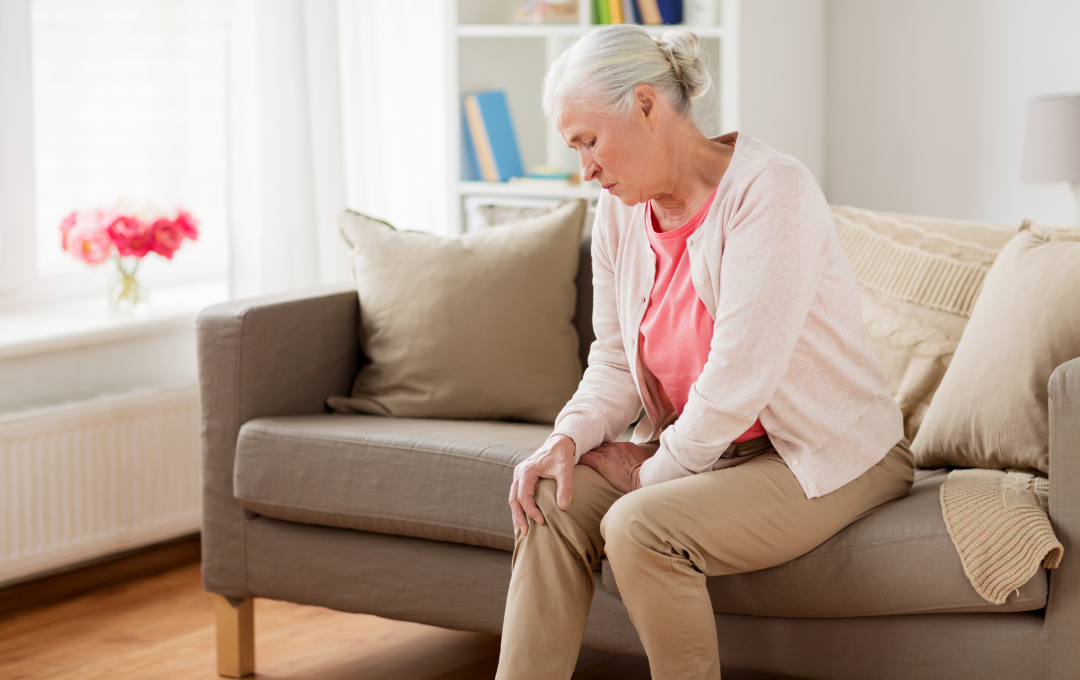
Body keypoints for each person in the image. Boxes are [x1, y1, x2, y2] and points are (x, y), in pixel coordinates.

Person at [498, 23, 914, 680]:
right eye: (574, 149)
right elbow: (614, 362)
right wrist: (566, 440)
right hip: (714, 452)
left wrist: (651, 474)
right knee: (553, 496)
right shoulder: (619, 212)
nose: (586, 170)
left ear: (645, 104)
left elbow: (737, 381)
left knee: (640, 526)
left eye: (589, 141)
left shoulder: (770, 191)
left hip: (823, 453)